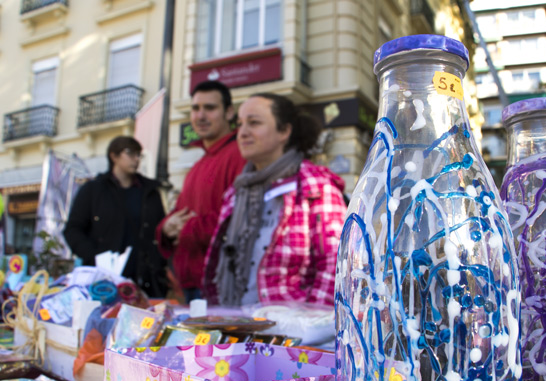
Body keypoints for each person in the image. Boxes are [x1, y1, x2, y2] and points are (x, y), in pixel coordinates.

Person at [203, 93, 347, 306]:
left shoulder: (316, 184)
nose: (242, 133)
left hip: (291, 332)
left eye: (254, 123)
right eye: (240, 124)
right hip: (235, 323)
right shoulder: (236, 192)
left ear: (284, 131)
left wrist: (309, 326)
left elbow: (336, 264)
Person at [156, 80, 246, 302]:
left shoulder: (239, 154)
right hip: (190, 283)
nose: (201, 115)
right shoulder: (198, 163)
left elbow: (239, 220)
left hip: (219, 284)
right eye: (195, 109)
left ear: (229, 112)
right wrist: (166, 227)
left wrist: (186, 228)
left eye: (210, 108)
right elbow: (180, 211)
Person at [64, 136, 168, 297]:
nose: (136, 159)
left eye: (139, 155)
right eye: (130, 153)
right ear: (114, 156)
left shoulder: (150, 192)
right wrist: (95, 258)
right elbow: (73, 229)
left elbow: (160, 231)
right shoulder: (93, 190)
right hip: (103, 282)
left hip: (145, 281)